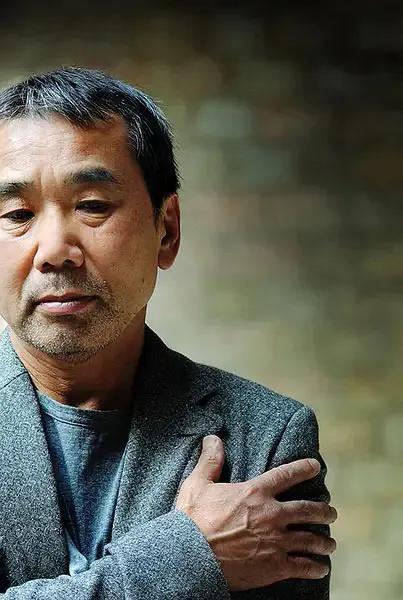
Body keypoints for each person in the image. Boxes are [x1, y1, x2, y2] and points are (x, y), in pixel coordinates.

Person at [0, 67, 337, 599]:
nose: (55, 250)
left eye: (92, 206)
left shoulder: (265, 441)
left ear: (167, 228)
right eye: (18, 213)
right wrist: (186, 558)